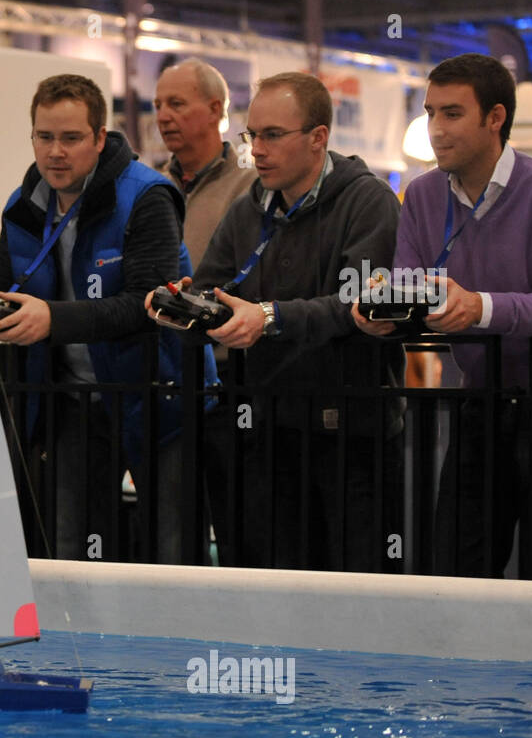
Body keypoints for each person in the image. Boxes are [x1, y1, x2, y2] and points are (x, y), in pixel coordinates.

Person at [353, 53, 532, 580]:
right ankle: (458, 665)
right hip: (478, 402)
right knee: (458, 569)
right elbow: (412, 290)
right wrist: (383, 311)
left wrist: (479, 307)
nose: (436, 130)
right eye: (430, 112)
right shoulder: (421, 194)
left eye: (452, 114)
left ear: (496, 118)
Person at [0, 73, 218, 563]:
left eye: (71, 138)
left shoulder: (148, 196)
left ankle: (181, 641)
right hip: (69, 401)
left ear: (99, 138)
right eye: (45, 137)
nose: (55, 152)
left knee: (173, 551)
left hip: (156, 396)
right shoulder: (22, 205)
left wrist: (52, 321)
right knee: (70, 548)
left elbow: (146, 304)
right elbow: (6, 289)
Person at [164, 71, 402, 572]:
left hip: (350, 431)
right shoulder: (250, 207)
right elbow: (213, 286)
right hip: (267, 429)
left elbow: (357, 303)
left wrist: (269, 317)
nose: (257, 150)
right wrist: (181, 304)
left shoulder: (368, 201)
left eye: (272, 135)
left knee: (354, 588)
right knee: (276, 583)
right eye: (252, 136)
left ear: (318, 138)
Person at [154, 58, 258, 267]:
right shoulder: (153, 187)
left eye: (176, 104)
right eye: (158, 106)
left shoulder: (250, 187)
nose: (162, 116)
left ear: (214, 110)